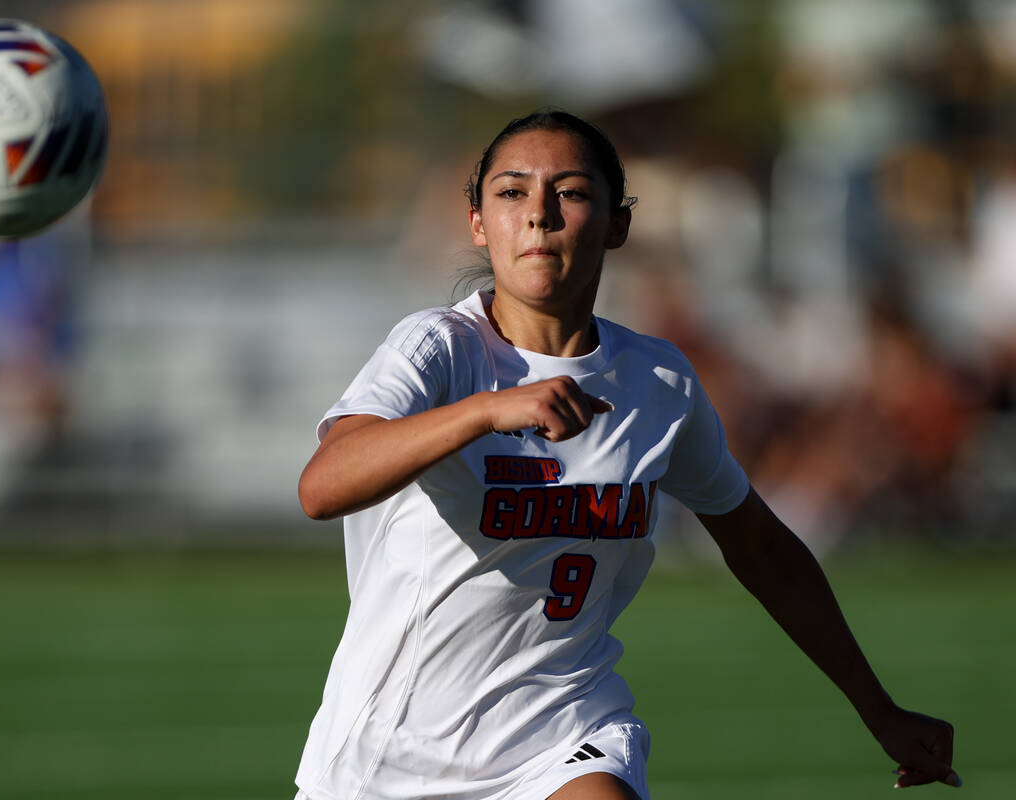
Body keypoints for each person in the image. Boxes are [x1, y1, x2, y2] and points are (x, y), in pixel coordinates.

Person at [293, 110, 959, 800]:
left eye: (572, 192)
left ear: (618, 226)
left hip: (562, 735)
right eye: (512, 192)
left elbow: (761, 548)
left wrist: (878, 709)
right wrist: (486, 411)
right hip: (386, 756)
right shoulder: (437, 348)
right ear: (477, 223)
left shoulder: (659, 383)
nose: (539, 215)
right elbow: (323, 486)